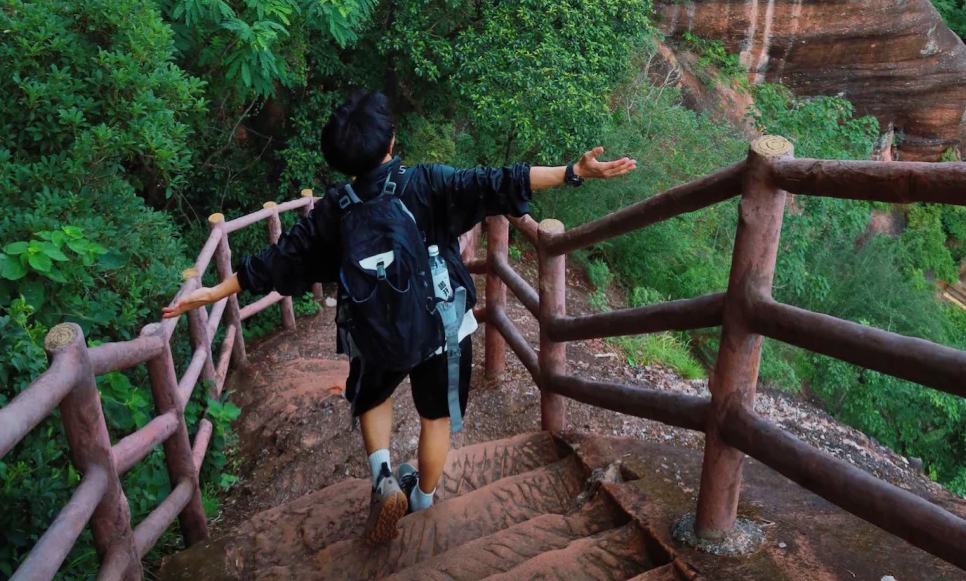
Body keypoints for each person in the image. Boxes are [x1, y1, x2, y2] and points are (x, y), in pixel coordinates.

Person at [163, 87, 636, 545]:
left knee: (372, 399)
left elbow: (282, 258)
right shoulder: (425, 182)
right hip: (441, 328)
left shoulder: (336, 208)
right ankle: (423, 501)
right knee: (436, 419)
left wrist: (214, 292)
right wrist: (573, 171)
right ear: (391, 142)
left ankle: (384, 478)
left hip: (373, 332)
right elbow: (495, 181)